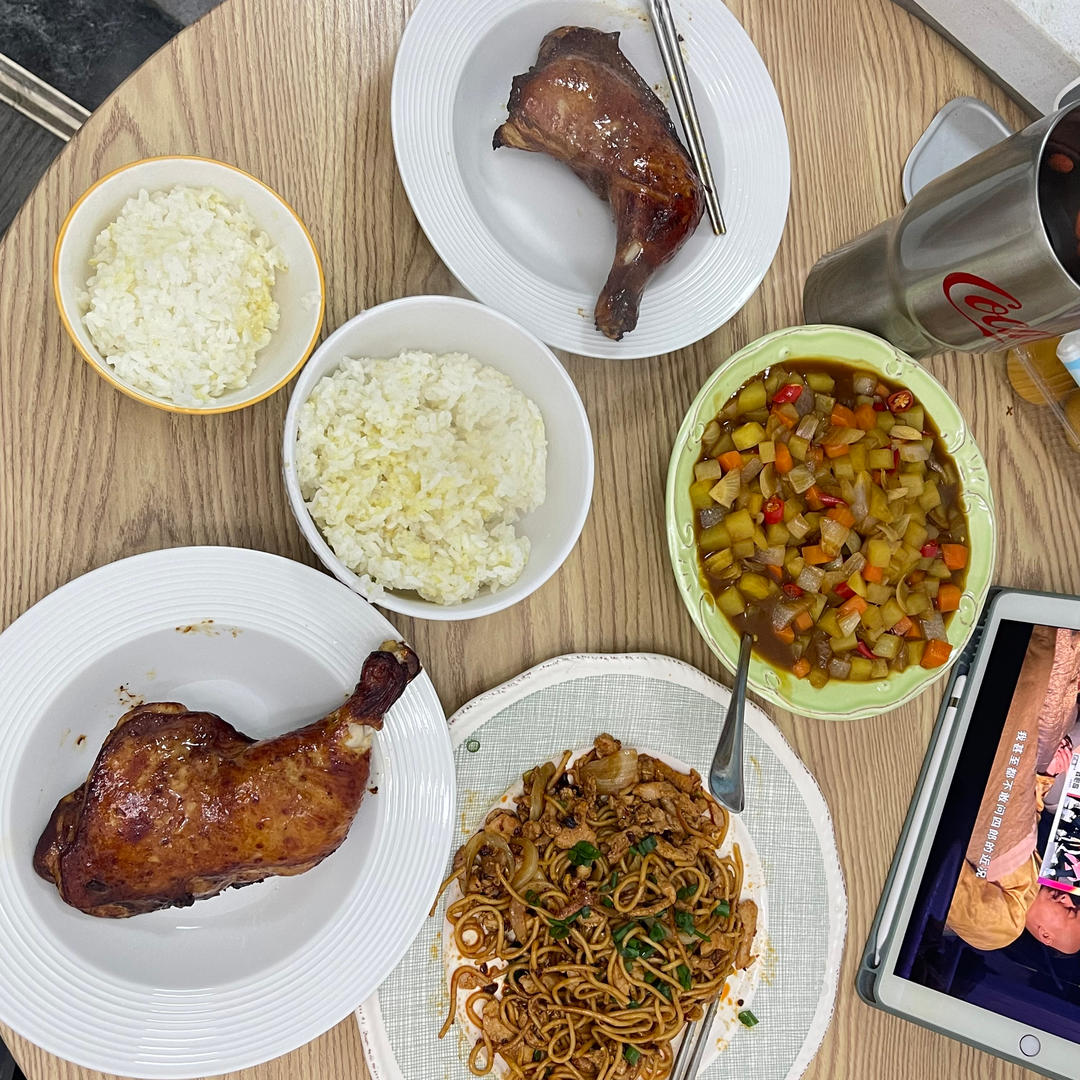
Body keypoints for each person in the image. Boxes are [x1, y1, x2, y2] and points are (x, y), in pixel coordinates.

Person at [945, 626, 1080, 952]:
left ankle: (1039, 627)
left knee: (1031, 687)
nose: (1068, 898)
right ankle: (1043, 628)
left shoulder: (1004, 929)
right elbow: (1029, 814)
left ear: (1046, 935)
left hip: (984, 818)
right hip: (1013, 793)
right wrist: (1047, 775)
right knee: (1041, 701)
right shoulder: (1035, 873)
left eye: (1071, 912)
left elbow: (942, 881)